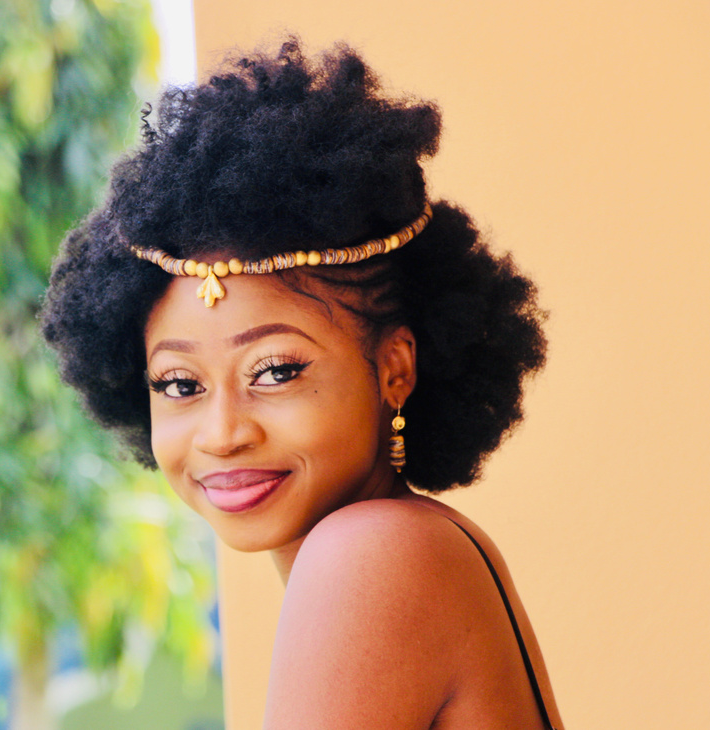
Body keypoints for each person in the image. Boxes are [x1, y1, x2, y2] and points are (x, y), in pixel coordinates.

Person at [41, 38, 563, 729]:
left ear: (394, 370)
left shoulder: (371, 555)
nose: (223, 432)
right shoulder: (416, 542)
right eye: (177, 383)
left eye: (276, 371)